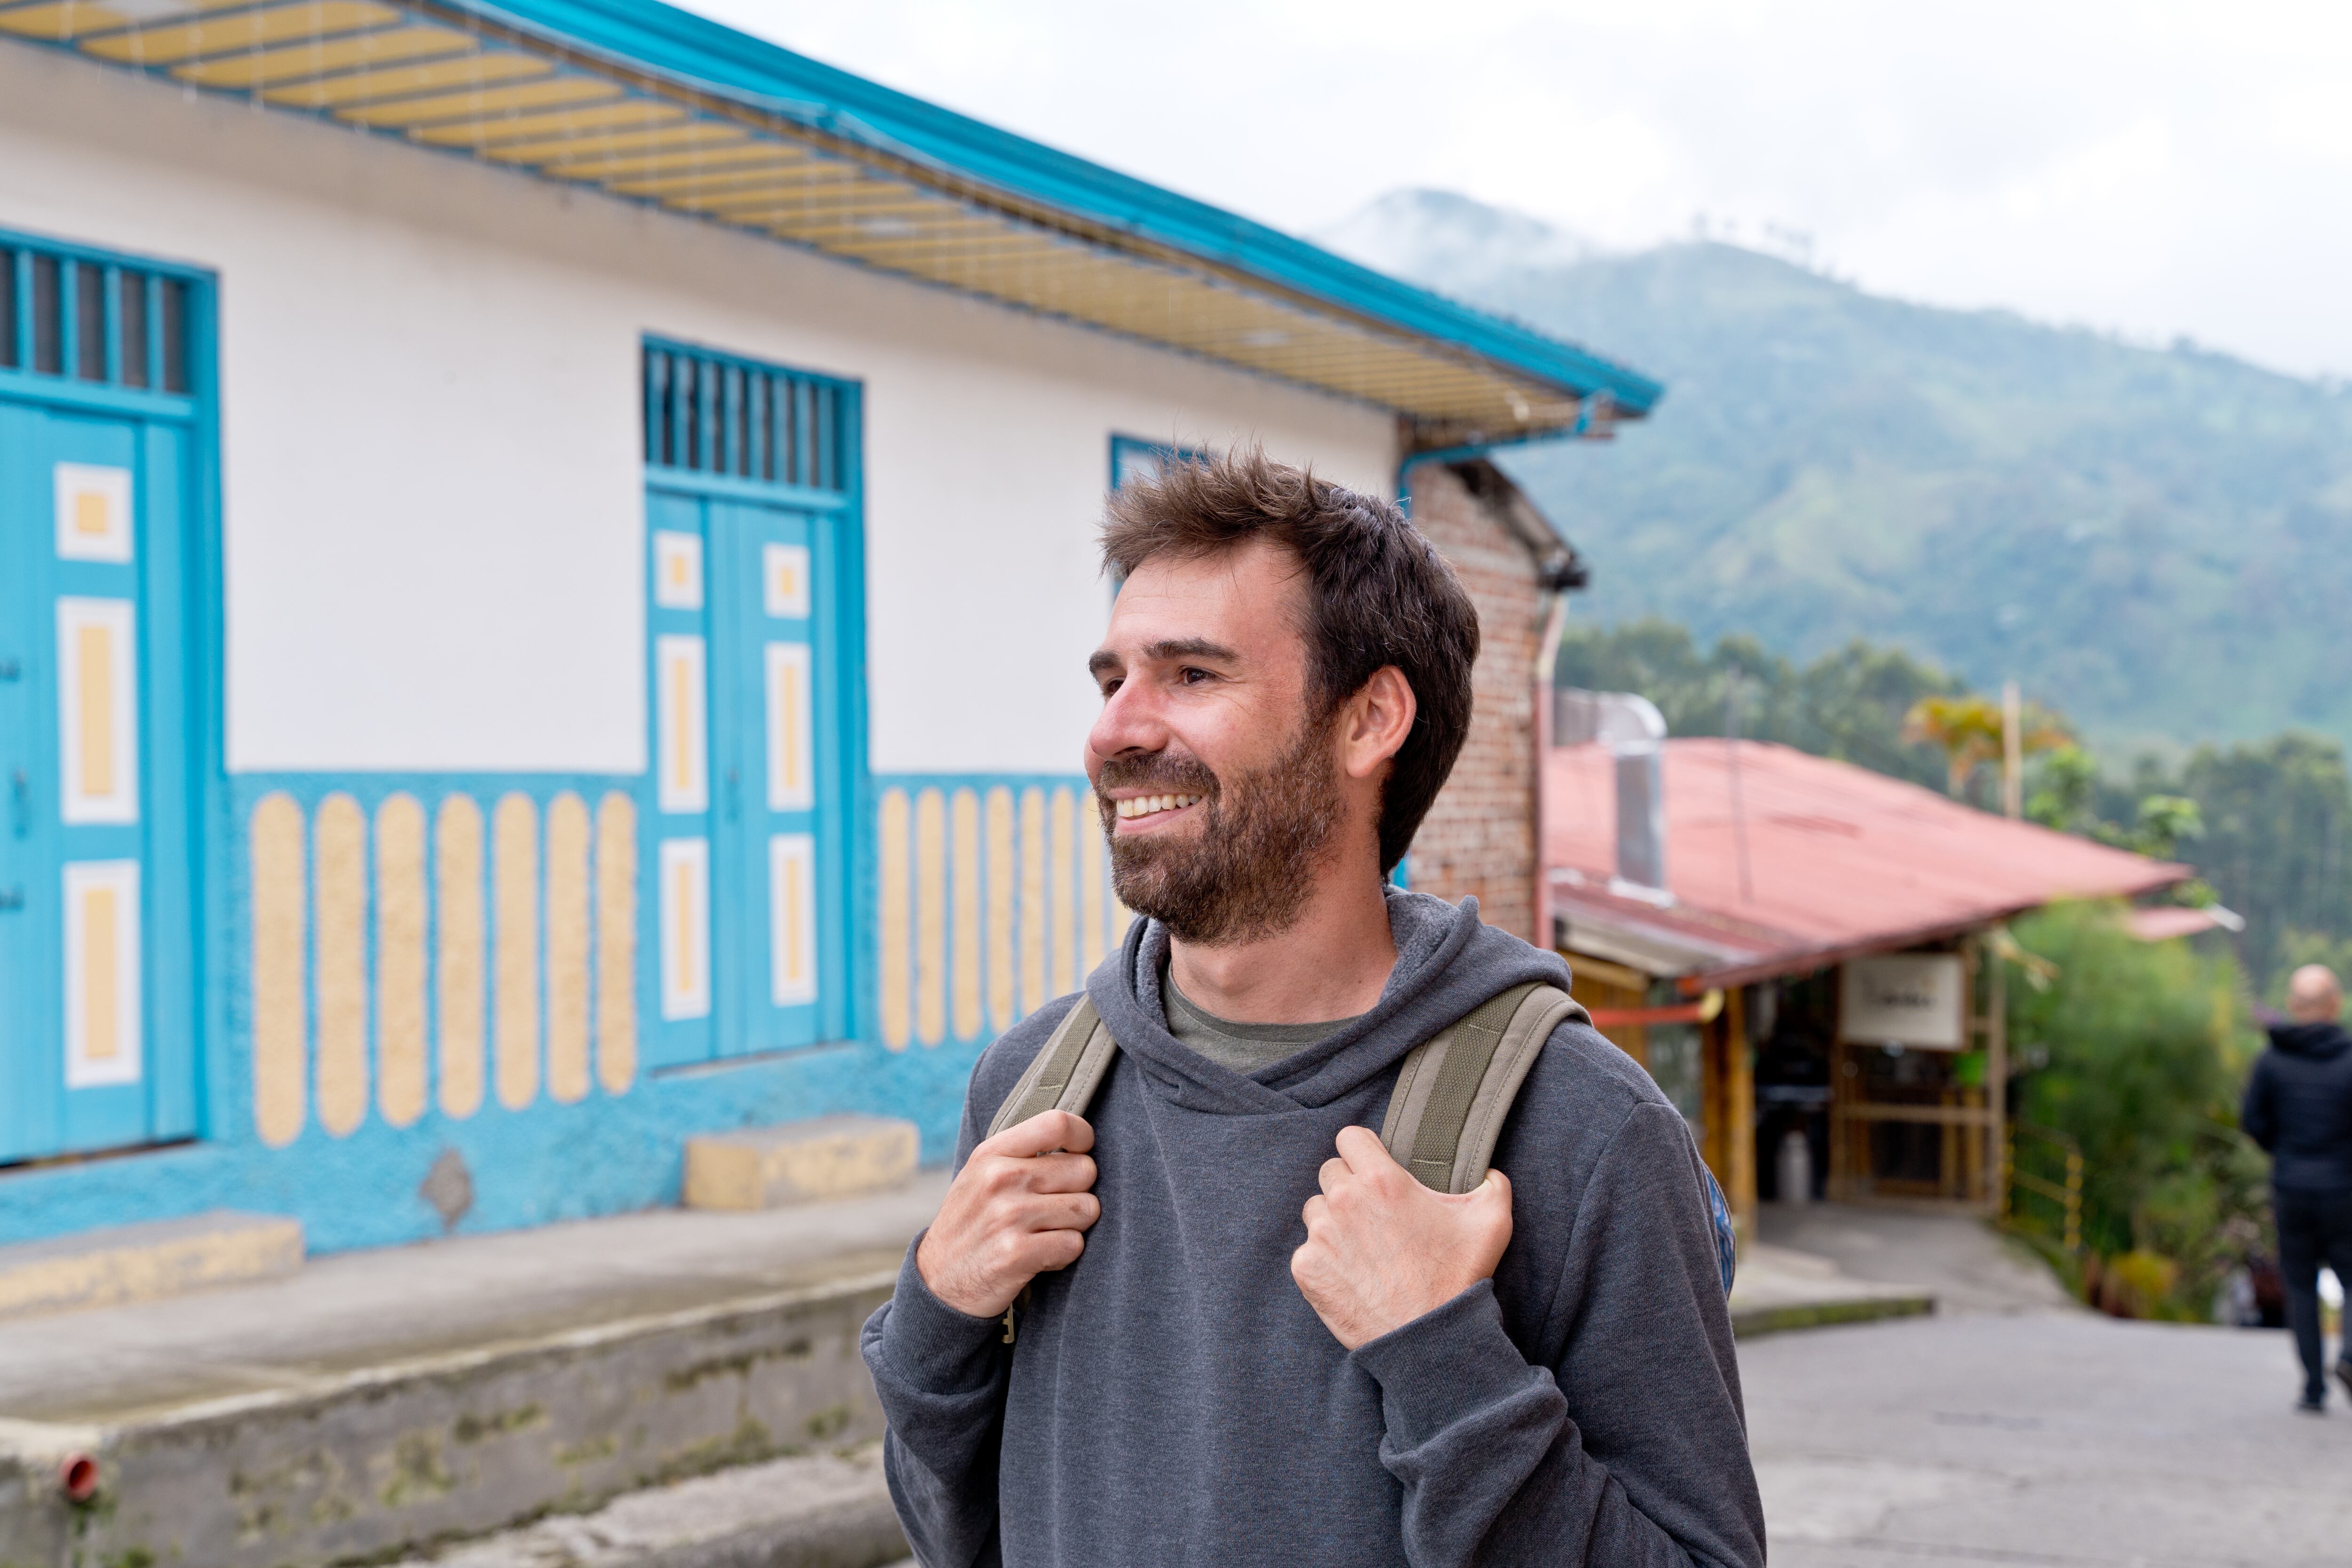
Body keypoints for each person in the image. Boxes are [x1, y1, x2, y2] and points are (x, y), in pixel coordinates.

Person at [859, 450, 1763, 1566]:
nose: (1116, 731)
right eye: (1111, 680)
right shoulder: (1035, 1088)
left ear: (1369, 718)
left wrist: (1445, 1358)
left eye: (1191, 674)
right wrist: (935, 1316)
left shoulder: (1582, 1129)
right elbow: (959, 1529)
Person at [2243, 963, 2352, 1414]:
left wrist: (2284, 1152)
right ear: (2335, 1004)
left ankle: (2312, 1386)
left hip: (2291, 1185)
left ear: (2293, 1006)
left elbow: (2254, 1122)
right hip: (2345, 1188)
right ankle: (2349, 1356)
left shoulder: (2271, 1061)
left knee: (2301, 1285)